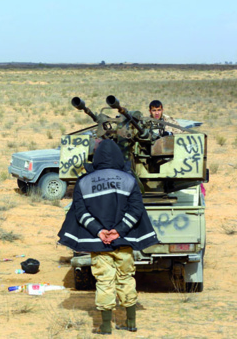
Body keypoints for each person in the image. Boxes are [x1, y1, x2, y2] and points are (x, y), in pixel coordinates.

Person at [57, 139, 158, 335]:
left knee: (104, 282)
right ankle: (130, 322)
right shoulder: (129, 179)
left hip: (99, 243)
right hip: (123, 242)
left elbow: (80, 211)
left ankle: (104, 326)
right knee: (126, 279)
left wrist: (99, 231)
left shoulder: (84, 181)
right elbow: (136, 209)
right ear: (119, 156)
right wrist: (119, 231)